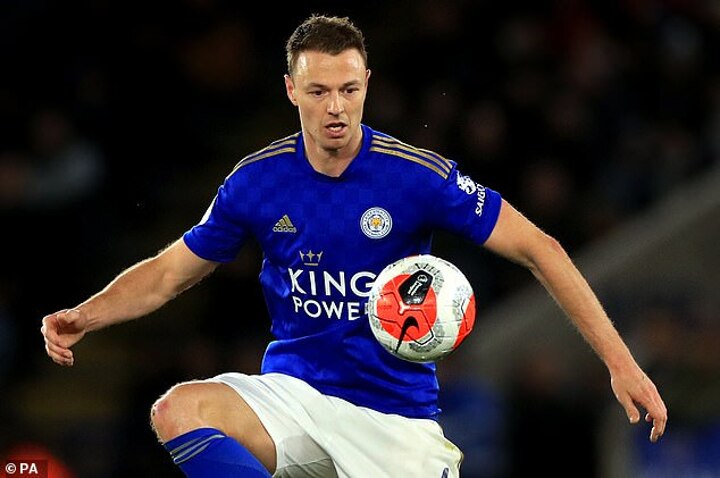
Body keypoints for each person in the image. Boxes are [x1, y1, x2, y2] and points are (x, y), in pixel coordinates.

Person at [41, 14, 667, 478]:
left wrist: (621, 363)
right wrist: (86, 316)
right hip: (295, 399)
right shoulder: (256, 182)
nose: (336, 107)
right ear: (291, 91)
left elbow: (541, 248)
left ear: (367, 83)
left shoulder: (416, 176)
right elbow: (167, 273)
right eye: (318, 92)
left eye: (348, 89)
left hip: (393, 421)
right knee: (179, 409)